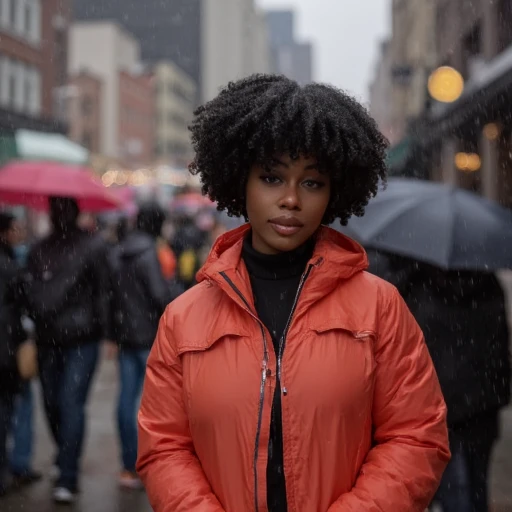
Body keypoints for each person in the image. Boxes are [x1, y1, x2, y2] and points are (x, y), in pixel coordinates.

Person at [137, 74, 450, 512]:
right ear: (238, 180)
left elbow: (417, 436)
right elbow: (164, 447)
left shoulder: (380, 307)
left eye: (312, 182)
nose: (290, 199)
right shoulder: (182, 318)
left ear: (334, 191)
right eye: (271, 177)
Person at [22, 197, 110, 503]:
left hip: (72, 338)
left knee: (62, 404)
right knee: (61, 404)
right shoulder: (45, 248)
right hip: (63, 337)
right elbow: (104, 290)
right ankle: (66, 466)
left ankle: (68, 471)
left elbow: (102, 291)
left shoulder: (50, 247)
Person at [404, 265, 511, 512]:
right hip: (480, 409)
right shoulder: (489, 287)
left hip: (437, 409)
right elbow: (499, 353)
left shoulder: (418, 286)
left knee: (450, 490)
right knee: (476, 487)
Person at [108, 203, 179, 489]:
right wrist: (173, 287)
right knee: (153, 405)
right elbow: (160, 296)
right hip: (149, 336)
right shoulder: (150, 254)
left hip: (126, 335)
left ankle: (128, 465)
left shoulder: (118, 251)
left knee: (126, 400)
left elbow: (111, 296)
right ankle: (148, 463)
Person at [0, 213, 25, 496]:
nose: (18, 233)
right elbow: (22, 302)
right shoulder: (10, 266)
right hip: (5, 350)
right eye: (14, 228)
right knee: (5, 411)